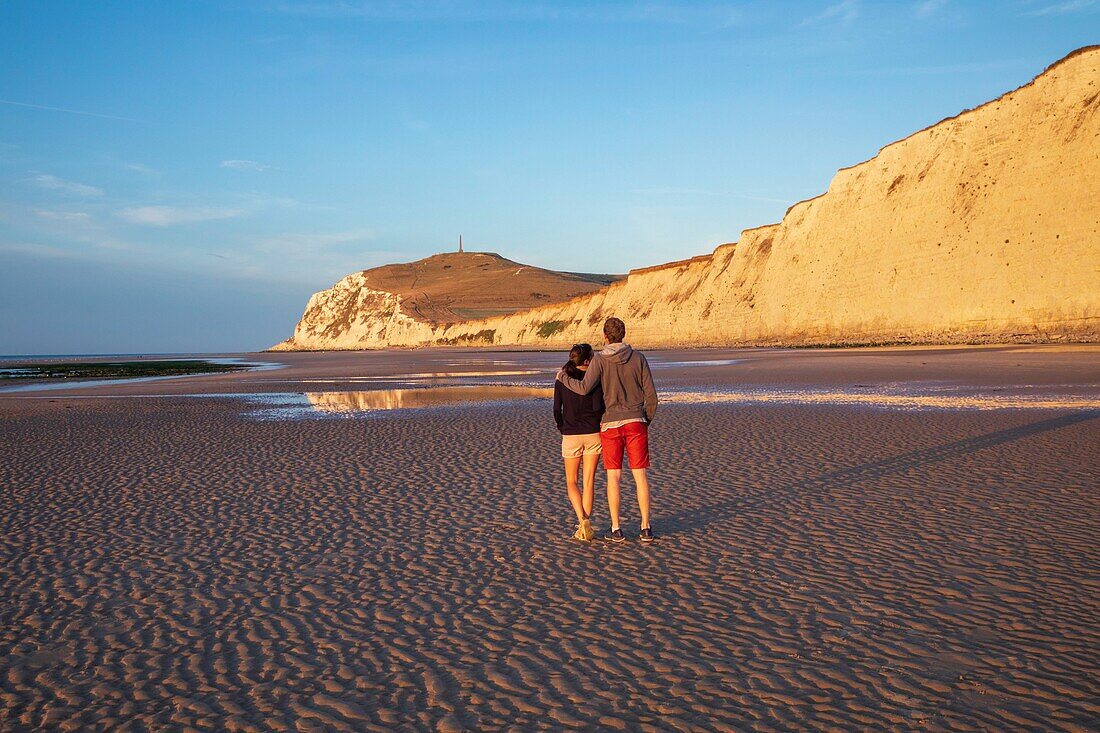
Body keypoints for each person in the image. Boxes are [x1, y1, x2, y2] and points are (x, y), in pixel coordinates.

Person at [557, 317, 658, 543]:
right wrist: (645, 420)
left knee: (614, 477)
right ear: (623, 334)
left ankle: (616, 528)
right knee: (640, 475)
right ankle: (645, 527)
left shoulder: (600, 360)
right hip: (636, 422)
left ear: (605, 336)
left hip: (610, 424)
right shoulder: (639, 358)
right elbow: (651, 396)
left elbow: (583, 388)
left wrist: (563, 378)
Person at [553, 343, 604, 542]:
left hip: (571, 434)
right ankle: (585, 523)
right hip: (593, 432)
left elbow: (557, 409)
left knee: (572, 481)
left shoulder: (561, 379)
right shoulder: (595, 379)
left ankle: (582, 519)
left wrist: (562, 427)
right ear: (587, 361)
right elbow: (599, 406)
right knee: (589, 480)